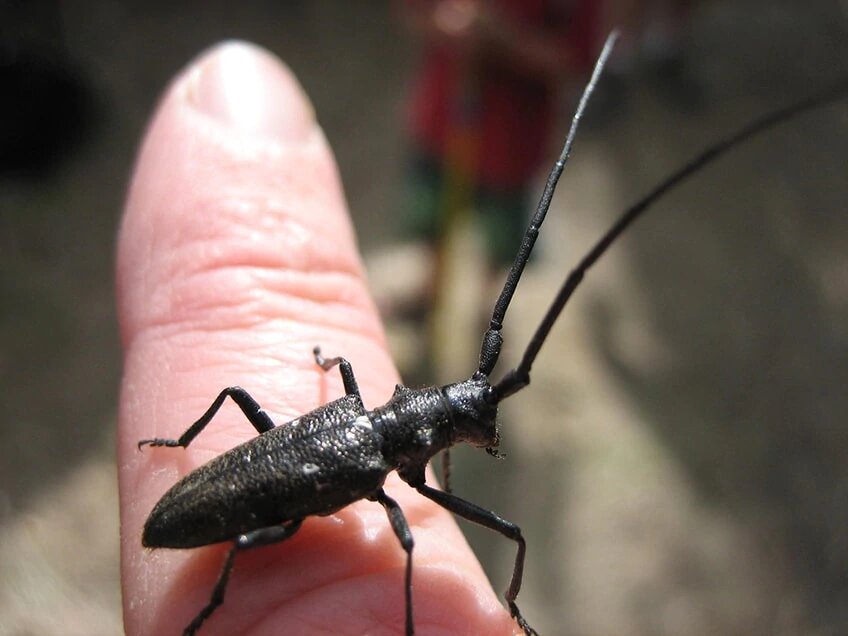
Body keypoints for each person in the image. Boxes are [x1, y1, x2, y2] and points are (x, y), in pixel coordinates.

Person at [116, 42, 519, 634]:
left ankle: (184, 450)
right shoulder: (370, 463)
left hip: (267, 473)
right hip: (204, 511)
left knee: (243, 394)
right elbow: (413, 525)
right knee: (397, 544)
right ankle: (212, 601)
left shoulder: (367, 414)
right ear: (434, 425)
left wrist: (327, 363)